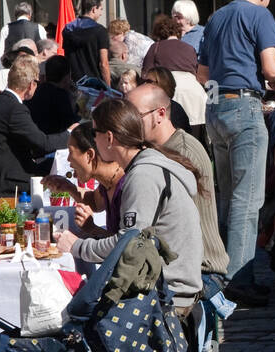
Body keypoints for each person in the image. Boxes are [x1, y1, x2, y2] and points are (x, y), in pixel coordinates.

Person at [55, 98, 203, 310]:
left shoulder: (143, 175)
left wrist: (76, 246)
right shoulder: (144, 167)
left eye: (94, 134)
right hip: (167, 287)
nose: (93, 141)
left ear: (109, 138)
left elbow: (128, 244)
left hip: (168, 296)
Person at [197, 0, 275, 305]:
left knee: (228, 195)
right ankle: (236, 279)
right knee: (248, 201)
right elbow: (270, 68)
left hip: (215, 107)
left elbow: (203, 73)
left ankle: (222, 271)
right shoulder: (260, 15)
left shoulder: (216, 17)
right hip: (244, 106)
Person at [128, 83, 230, 288]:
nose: (127, 123)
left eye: (135, 117)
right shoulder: (162, 149)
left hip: (200, 269)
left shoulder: (181, 152)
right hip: (185, 264)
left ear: (160, 114)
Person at [0, 54, 70, 202]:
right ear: (31, 85)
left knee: (50, 164)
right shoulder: (14, 109)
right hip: (5, 185)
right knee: (58, 172)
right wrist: (70, 134)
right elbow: (43, 143)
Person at [43, 122, 124, 238]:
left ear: (89, 155)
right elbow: (95, 202)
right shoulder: (108, 182)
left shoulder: (126, 184)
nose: (68, 160)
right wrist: (68, 187)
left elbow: (126, 243)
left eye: (71, 152)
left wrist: (92, 228)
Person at [62, 0, 112, 86]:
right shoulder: (100, 31)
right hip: (94, 84)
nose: (101, 13)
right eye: (100, 9)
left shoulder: (68, 29)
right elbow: (103, 64)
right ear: (94, 9)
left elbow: (66, 56)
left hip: (73, 83)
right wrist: (108, 88)